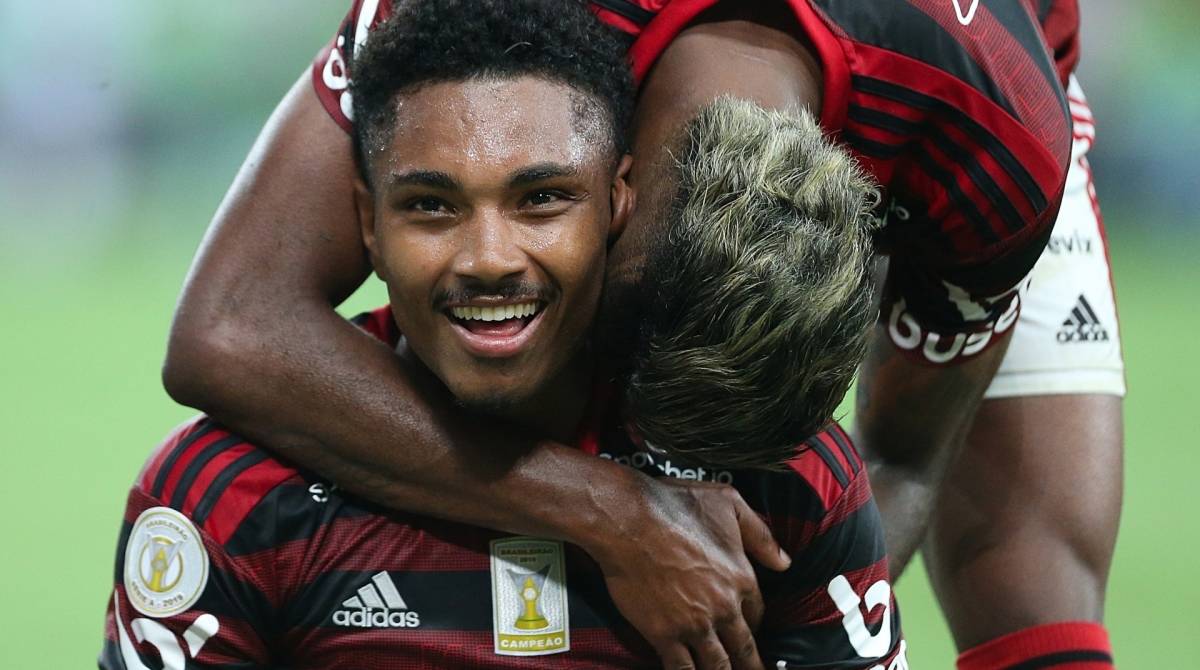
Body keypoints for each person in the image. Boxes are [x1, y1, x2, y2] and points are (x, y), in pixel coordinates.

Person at [165, 0, 1124, 667]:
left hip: (979, 77)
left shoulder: (1003, 160)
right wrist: (614, 513)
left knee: (1031, 576)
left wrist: (761, 613)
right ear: (621, 189)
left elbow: (906, 461)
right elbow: (231, 326)